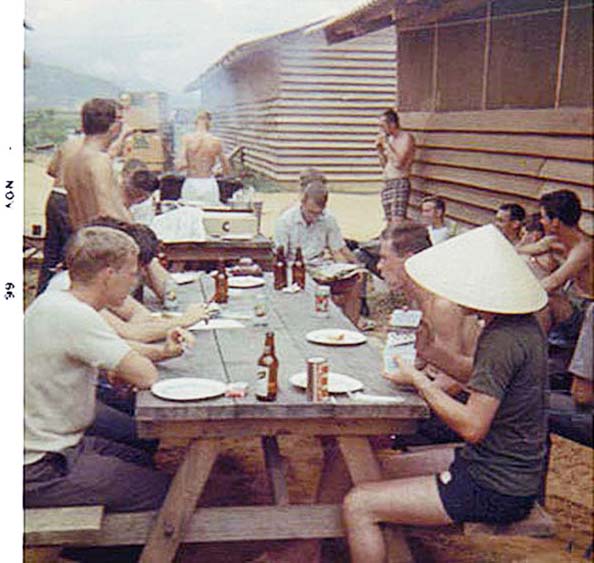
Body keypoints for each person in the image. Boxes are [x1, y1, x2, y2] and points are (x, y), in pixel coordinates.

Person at [343, 225, 549, 563]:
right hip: (502, 469)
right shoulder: (519, 326)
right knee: (367, 468)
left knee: (359, 504)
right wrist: (434, 354)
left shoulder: (502, 339)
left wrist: (420, 381)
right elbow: (486, 378)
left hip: (497, 486)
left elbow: (472, 427)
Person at [25, 226, 176, 512]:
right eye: (132, 273)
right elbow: (146, 375)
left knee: (142, 457)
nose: (136, 281)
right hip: (37, 466)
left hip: (51, 444)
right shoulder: (74, 314)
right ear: (109, 275)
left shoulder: (54, 301)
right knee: (168, 493)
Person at [44, 216, 210, 344]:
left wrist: (135, 329)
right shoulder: (74, 287)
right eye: (132, 271)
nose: (134, 278)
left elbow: (139, 314)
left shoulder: (98, 281)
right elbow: (133, 338)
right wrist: (185, 320)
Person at [274, 181, 364, 324]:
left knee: (355, 281)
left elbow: (336, 250)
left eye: (318, 213)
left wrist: (345, 270)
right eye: (310, 212)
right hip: (295, 268)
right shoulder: (286, 221)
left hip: (321, 267)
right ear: (302, 203)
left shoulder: (328, 219)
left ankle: (351, 325)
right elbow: (280, 256)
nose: (314, 217)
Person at [518, 190, 593, 346]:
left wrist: (517, 296)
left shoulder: (584, 248)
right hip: (572, 304)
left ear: (556, 222)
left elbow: (554, 282)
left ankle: (534, 353)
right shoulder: (554, 241)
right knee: (529, 267)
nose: (542, 222)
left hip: (587, 312)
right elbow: (521, 252)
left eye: (544, 217)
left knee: (548, 299)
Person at [63, 98, 133, 230]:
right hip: (106, 240)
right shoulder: (99, 160)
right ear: (113, 126)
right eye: (119, 120)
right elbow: (106, 211)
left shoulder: (72, 161)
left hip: (83, 236)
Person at [176, 110, 231, 204]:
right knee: (210, 215)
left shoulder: (187, 139)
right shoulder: (215, 141)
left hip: (192, 182)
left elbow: (180, 165)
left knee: (189, 214)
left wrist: (190, 165)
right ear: (209, 122)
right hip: (209, 183)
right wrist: (218, 171)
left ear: (195, 121)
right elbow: (227, 169)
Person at [375, 109, 415, 223]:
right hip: (388, 181)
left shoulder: (406, 138)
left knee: (397, 220)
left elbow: (399, 163)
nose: (381, 130)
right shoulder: (390, 139)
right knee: (388, 220)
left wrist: (386, 145)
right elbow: (385, 165)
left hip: (399, 181)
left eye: (383, 126)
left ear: (392, 124)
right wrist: (379, 150)